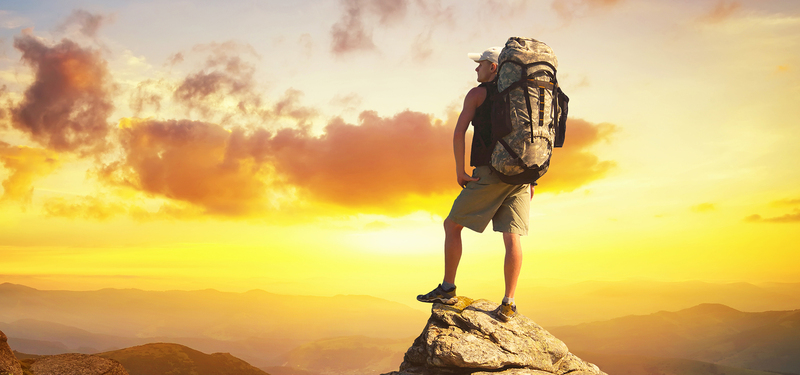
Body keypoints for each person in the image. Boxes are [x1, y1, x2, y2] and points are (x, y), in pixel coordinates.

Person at [416, 47, 533, 322]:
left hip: (490, 172)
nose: (476, 69)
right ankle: (509, 303)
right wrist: (531, 178)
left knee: (451, 224)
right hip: (523, 175)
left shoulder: (478, 93)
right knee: (511, 236)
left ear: (494, 67)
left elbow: (459, 132)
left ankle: (447, 289)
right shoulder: (522, 95)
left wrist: (460, 169)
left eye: (480, 63)